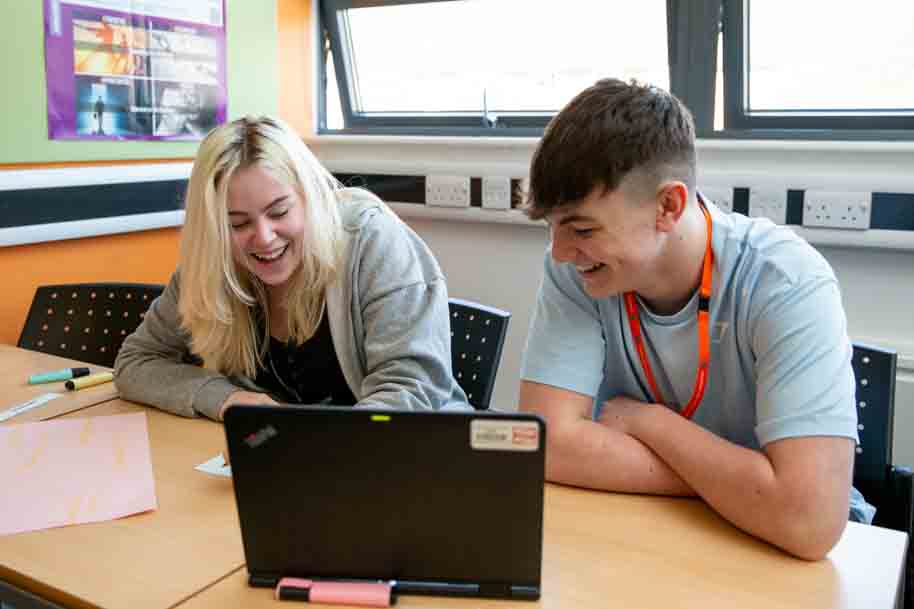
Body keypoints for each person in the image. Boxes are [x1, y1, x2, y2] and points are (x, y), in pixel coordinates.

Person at [518, 78, 869, 561]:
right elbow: (547, 444)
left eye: (581, 228)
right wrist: (739, 484)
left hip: (776, 556)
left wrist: (652, 424)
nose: (559, 253)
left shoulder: (787, 281)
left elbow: (809, 520)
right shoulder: (579, 269)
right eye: (553, 227)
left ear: (669, 206)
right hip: (661, 531)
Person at [115, 115, 467, 419]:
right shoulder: (212, 262)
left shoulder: (373, 240)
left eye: (279, 212)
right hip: (288, 459)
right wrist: (227, 399)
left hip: (400, 457)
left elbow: (412, 389)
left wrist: (316, 445)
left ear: (310, 196)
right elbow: (136, 362)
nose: (264, 238)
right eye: (237, 224)